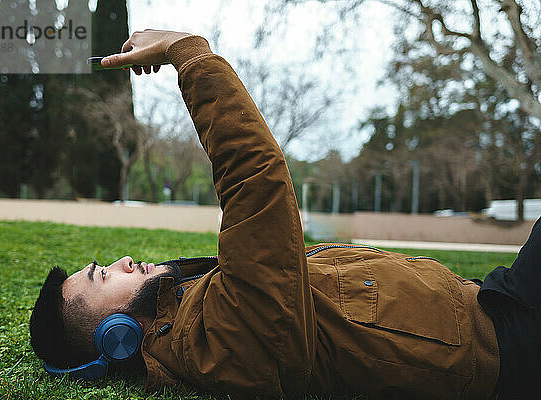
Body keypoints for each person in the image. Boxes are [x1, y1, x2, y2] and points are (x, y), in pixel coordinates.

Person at [29, 30, 540, 399]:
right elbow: (256, 182)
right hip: (512, 347)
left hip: (494, 302)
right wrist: (187, 53)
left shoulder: (193, 310)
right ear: (114, 336)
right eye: (101, 276)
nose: (121, 260)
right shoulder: (222, 342)